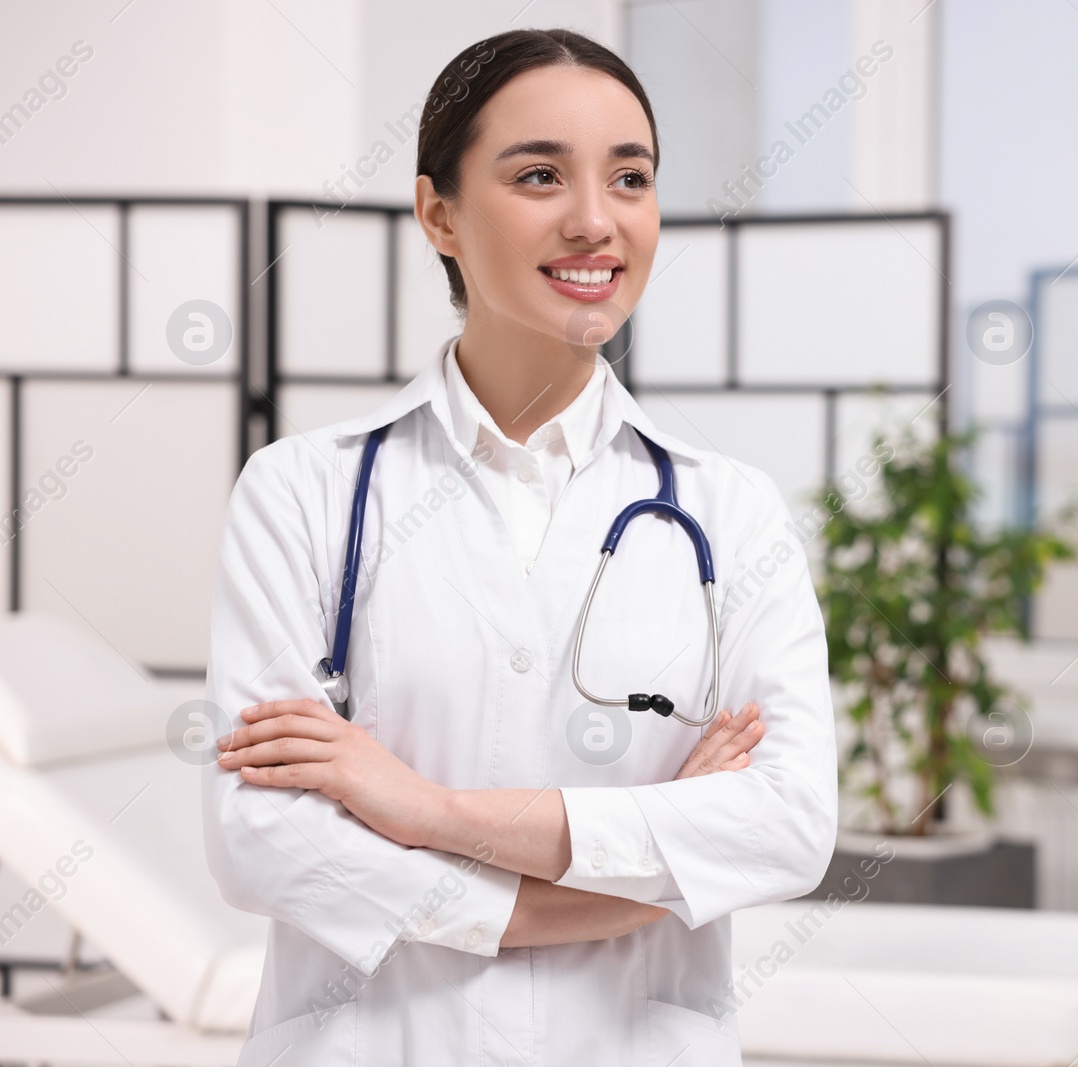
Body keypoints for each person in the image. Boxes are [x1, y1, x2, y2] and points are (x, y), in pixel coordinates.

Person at [201, 28, 837, 1066]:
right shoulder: (304, 492)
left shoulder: (733, 513)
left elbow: (787, 824)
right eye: (540, 174)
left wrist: (425, 808)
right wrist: (614, 889)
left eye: (630, 178)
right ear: (437, 212)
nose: (595, 220)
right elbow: (263, 844)